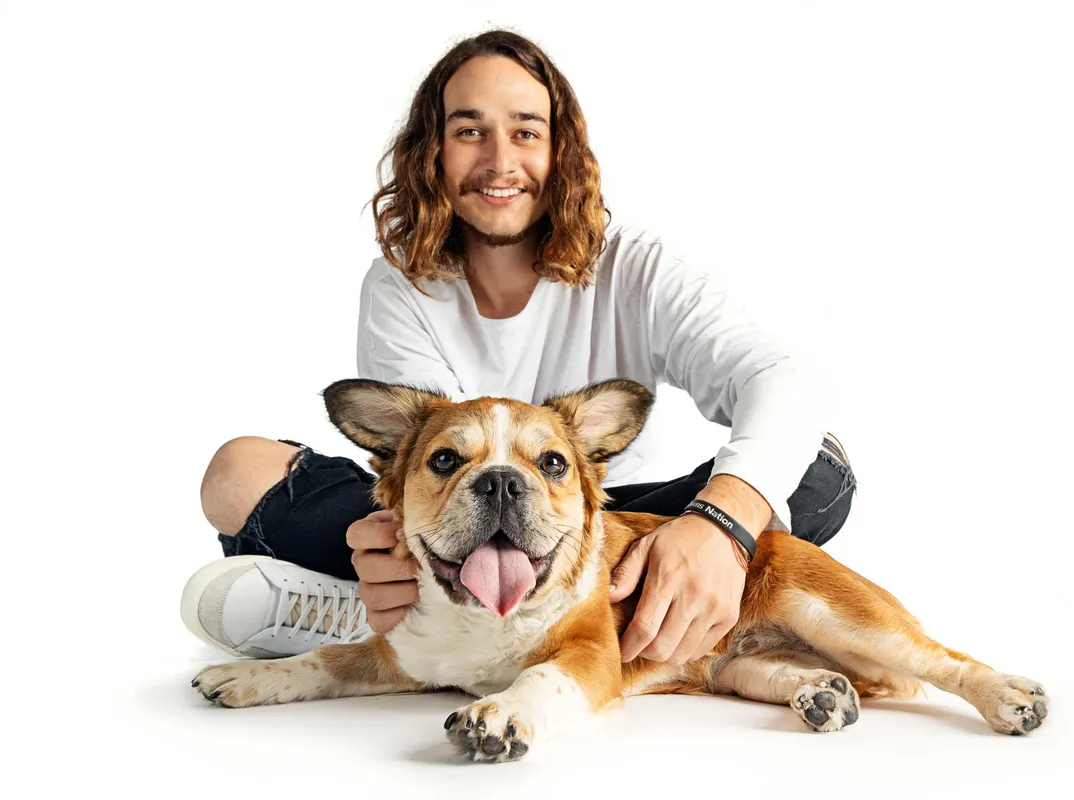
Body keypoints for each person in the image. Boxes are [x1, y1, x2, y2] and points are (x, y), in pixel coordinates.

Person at [182, 29, 858, 668]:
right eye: (469, 131)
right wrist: (386, 544)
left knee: (816, 469)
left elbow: (780, 375)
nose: (500, 162)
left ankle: (382, 618)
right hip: (451, 532)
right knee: (239, 473)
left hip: (601, 534)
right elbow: (422, 478)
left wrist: (718, 525)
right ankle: (387, 602)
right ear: (432, 152)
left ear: (561, 151)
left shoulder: (637, 267)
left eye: (526, 132)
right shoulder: (399, 286)